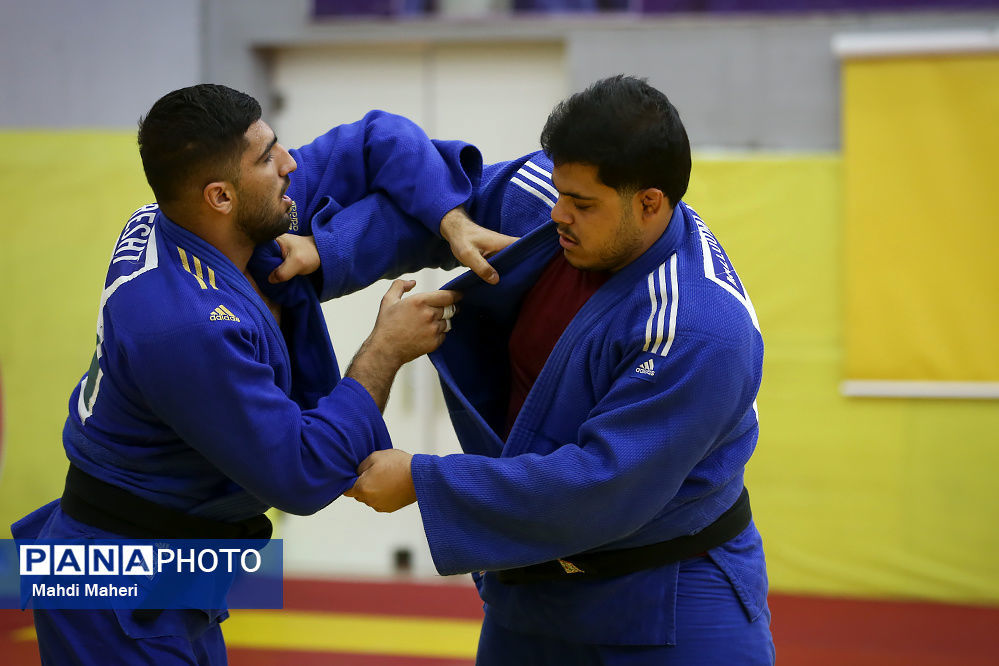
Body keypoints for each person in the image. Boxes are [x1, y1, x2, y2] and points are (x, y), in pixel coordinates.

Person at [10, 83, 512, 665]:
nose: (289, 163)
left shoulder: (201, 218)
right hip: (109, 579)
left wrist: (449, 221)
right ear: (220, 195)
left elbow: (379, 139)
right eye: (267, 157)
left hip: (173, 562)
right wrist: (384, 350)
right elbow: (297, 475)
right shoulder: (184, 324)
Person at [346, 76, 776, 664]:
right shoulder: (556, 203)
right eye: (559, 191)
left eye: (582, 204)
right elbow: (436, 200)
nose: (558, 215)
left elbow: (600, 484)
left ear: (650, 202)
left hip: (669, 584)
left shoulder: (700, 328)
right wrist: (321, 252)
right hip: (533, 584)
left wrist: (425, 480)